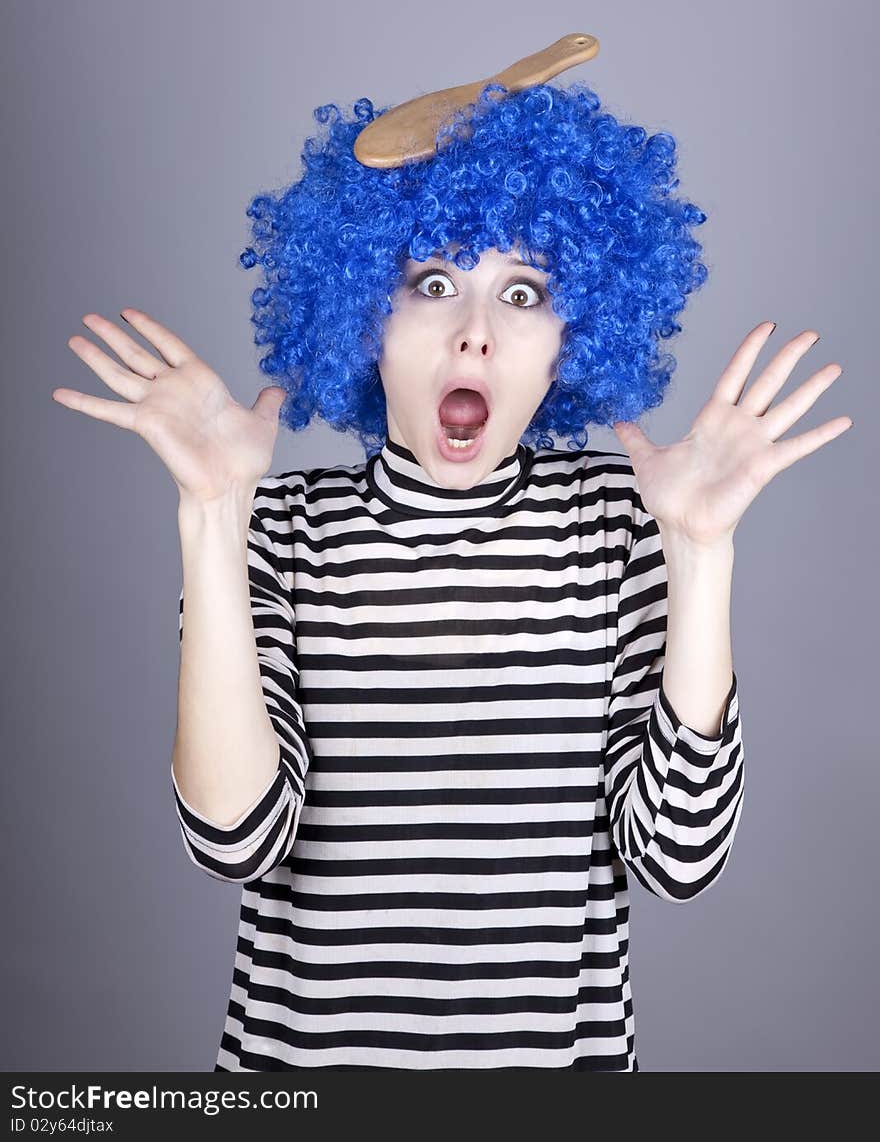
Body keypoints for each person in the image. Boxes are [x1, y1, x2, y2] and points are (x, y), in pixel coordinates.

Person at [52, 60, 851, 1071]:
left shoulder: (622, 526)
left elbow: (677, 860)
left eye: (522, 291)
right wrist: (214, 513)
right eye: (432, 283)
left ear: (570, 337)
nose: (474, 331)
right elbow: (236, 840)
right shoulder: (282, 533)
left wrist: (698, 555)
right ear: (364, 318)